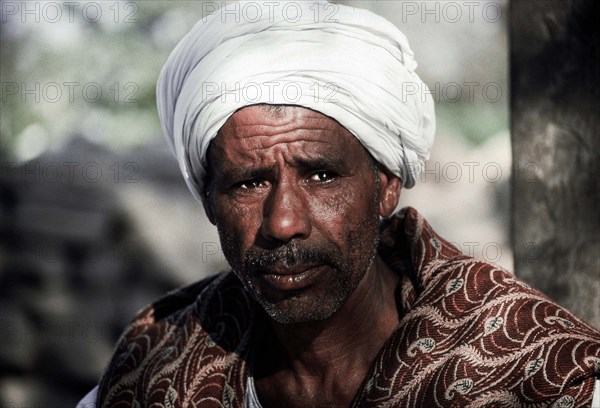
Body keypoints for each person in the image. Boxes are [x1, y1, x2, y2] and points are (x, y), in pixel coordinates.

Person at [79, 1, 600, 407]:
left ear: (386, 185)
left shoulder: (529, 368)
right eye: (248, 184)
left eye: (322, 175)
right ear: (209, 200)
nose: (283, 223)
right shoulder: (154, 364)